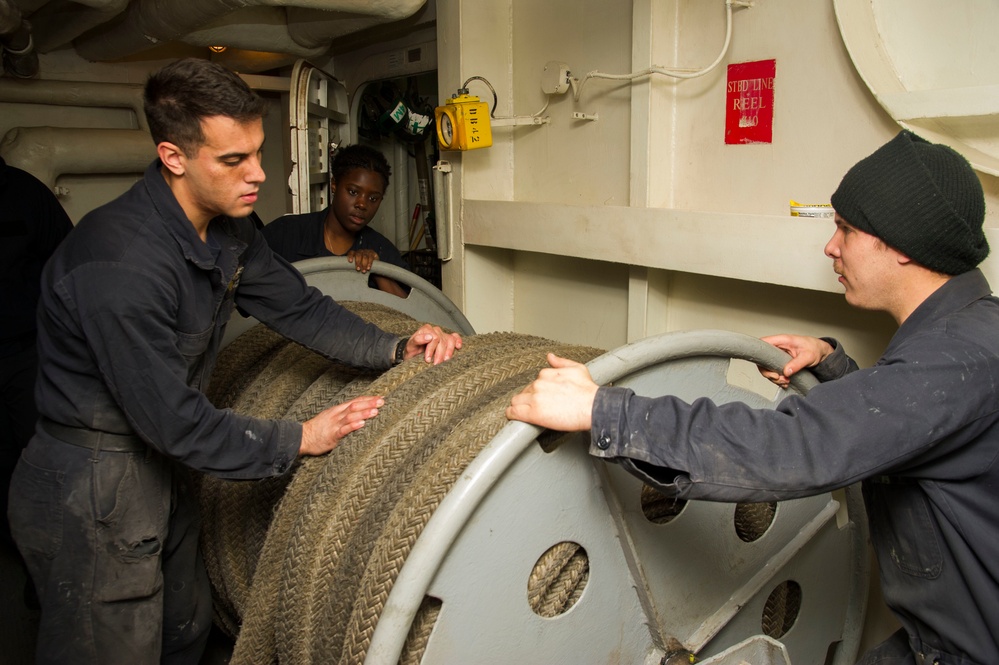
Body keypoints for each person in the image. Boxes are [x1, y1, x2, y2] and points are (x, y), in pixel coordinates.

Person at [7, 57, 461, 665]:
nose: (258, 175)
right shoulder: (120, 264)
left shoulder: (232, 229)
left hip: (164, 468)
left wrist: (394, 346)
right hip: (94, 482)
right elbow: (175, 420)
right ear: (174, 157)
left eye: (257, 152)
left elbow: (301, 308)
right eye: (233, 161)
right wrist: (302, 436)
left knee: (184, 629)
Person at [507, 131, 996, 665]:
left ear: (902, 246)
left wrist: (603, 411)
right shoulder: (967, 338)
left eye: (846, 230)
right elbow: (911, 419)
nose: (830, 247)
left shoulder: (957, 364)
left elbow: (789, 447)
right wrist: (836, 368)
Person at [0, 157, 73, 548]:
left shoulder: (24, 193)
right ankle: (15, 548)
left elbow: (66, 263)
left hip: (25, 352)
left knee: (41, 455)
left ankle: (44, 564)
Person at [262, 143, 411, 298]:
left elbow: (414, 313)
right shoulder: (286, 234)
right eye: (353, 192)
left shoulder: (382, 250)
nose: (362, 204)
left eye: (373, 198)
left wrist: (379, 271)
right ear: (334, 185)